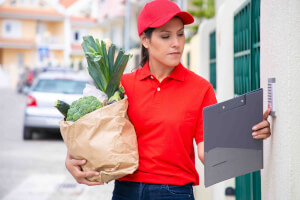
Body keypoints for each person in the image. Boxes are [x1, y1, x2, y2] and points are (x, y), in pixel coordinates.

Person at [65, 0, 272, 199]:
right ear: (145, 40)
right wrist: (72, 159)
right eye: (165, 36)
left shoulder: (200, 89)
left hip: (174, 192)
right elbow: (96, 134)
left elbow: (207, 151)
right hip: (125, 190)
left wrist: (248, 135)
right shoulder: (122, 86)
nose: (176, 43)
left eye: (180, 34)